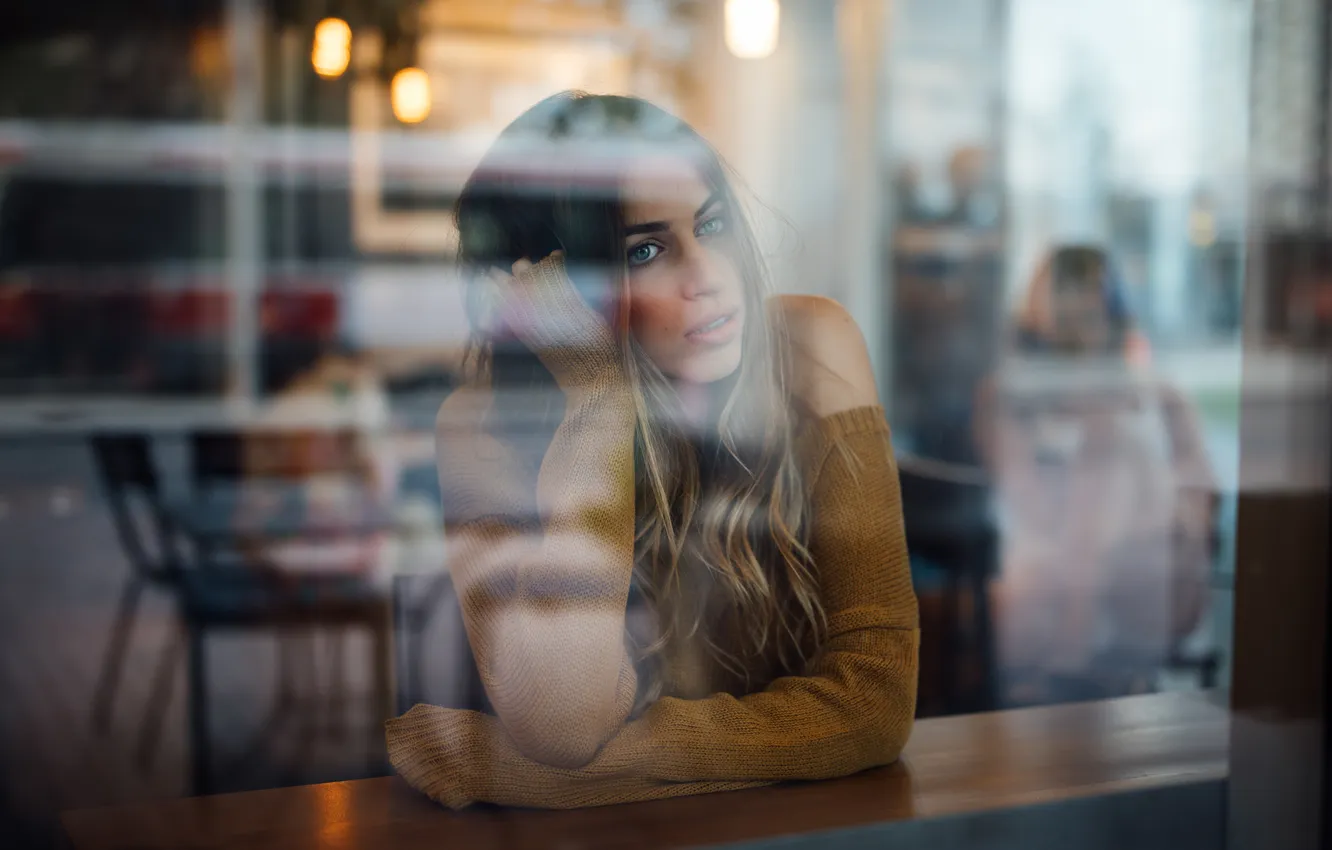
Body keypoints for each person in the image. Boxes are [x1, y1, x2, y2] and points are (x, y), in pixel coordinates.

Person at [386, 92, 918, 809]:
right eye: (645, 250)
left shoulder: (814, 349)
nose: (706, 274)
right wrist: (599, 402)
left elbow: (876, 703)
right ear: (553, 289)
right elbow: (564, 724)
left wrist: (573, 777)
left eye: (712, 224)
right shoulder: (482, 426)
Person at [974, 246, 1217, 705]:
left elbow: (1200, 498)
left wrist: (1171, 531)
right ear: (1039, 315)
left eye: (1091, 305)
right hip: (1044, 570)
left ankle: (1078, 634)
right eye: (1064, 308)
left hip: (1144, 566)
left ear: (1113, 311)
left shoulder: (1157, 394)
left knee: (1118, 445)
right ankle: (1079, 635)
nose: (1080, 319)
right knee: (1108, 450)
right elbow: (1025, 506)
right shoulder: (1008, 397)